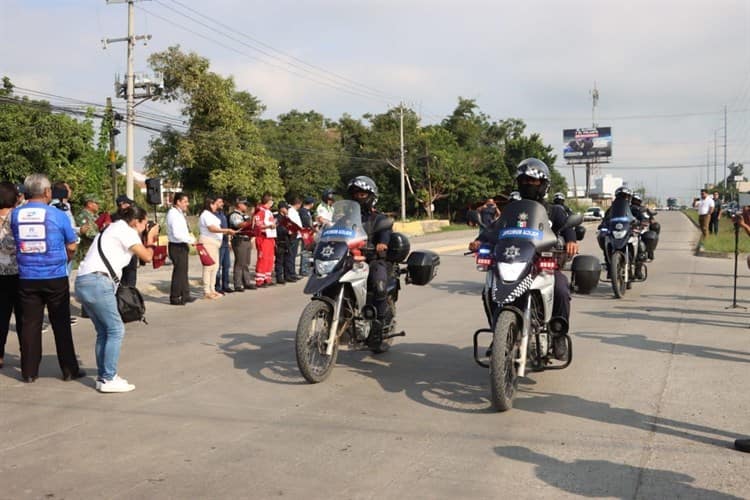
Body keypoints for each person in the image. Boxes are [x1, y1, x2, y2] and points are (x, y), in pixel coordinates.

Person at [468, 158, 578, 361]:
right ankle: (500, 334)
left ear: (544, 184)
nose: (528, 184)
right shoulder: (512, 210)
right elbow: (494, 229)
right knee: (490, 289)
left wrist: (571, 241)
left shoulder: (554, 211)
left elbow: (568, 228)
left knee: (561, 288)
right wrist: (479, 240)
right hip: (514, 262)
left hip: (541, 265)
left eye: (533, 181)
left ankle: (558, 336)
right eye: (524, 180)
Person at [75, 206, 159, 393]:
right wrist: (152, 238)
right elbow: (147, 256)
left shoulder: (112, 228)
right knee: (115, 329)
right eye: (144, 224)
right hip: (98, 282)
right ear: (136, 221)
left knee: (104, 331)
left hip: (84, 281)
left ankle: (104, 376)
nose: (145, 227)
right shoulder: (125, 231)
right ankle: (108, 378)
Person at [10, 173, 85, 383]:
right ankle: (69, 369)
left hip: (26, 276)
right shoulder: (58, 215)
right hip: (55, 275)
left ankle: (29, 371)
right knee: (60, 323)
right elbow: (71, 245)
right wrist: (66, 259)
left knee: (29, 324)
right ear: (47, 192)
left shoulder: (16, 215)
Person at [346, 176, 392, 350]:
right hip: (349, 258)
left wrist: (382, 244)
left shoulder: (378, 218)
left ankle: (378, 328)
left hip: (372, 259)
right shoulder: (345, 218)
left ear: (371, 196)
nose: (359, 196)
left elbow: (385, 233)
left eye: (363, 193)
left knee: (379, 286)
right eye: (356, 193)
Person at [0, 182, 22, 369]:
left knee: (1, 316)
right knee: (24, 317)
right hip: (19, 272)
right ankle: (28, 356)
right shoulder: (18, 216)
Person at [198, 196, 236, 300]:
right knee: (208, 267)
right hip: (208, 242)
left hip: (215, 243)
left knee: (215, 267)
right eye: (215, 204)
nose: (217, 206)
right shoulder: (205, 214)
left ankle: (212, 289)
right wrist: (226, 230)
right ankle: (207, 290)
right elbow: (212, 228)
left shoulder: (212, 215)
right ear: (211, 204)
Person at [166, 192, 196, 305]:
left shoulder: (180, 213)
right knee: (179, 272)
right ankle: (174, 297)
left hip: (182, 245)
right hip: (176, 245)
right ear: (178, 202)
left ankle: (185, 294)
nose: (187, 204)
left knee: (183, 271)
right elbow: (177, 234)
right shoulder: (173, 214)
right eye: (185, 202)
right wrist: (191, 240)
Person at [228, 197, 256, 291]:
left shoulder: (245, 215)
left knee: (246, 262)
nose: (246, 206)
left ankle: (246, 282)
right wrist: (250, 220)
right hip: (239, 240)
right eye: (244, 204)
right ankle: (238, 284)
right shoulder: (234, 215)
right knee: (240, 262)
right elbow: (239, 225)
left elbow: (251, 225)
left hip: (247, 239)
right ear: (239, 204)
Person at [112, 195, 139, 287]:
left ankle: (128, 294)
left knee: (131, 274)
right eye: (128, 204)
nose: (130, 206)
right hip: (121, 250)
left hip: (131, 249)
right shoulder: (116, 218)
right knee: (124, 276)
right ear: (122, 205)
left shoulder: (130, 217)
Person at [254, 193, 277, 288]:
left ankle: (267, 278)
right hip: (263, 237)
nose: (272, 202)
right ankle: (259, 280)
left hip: (270, 237)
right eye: (271, 200)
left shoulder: (268, 211)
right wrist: (268, 226)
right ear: (268, 201)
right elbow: (258, 225)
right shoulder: (261, 211)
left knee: (270, 258)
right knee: (263, 258)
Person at [212, 196, 233, 294]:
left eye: (222, 202)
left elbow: (226, 228)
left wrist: (229, 241)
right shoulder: (212, 215)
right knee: (218, 266)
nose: (222, 204)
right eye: (219, 202)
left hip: (225, 242)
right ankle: (217, 286)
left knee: (227, 265)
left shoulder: (223, 214)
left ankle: (226, 285)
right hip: (218, 243)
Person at [75, 193, 100, 263]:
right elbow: (89, 234)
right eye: (96, 203)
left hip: (95, 252)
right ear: (89, 204)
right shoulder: (83, 216)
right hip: (87, 253)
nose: (98, 205)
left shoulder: (95, 216)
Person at [286, 197, 303, 281]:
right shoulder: (291, 211)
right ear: (298, 204)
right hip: (293, 235)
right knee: (291, 255)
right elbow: (291, 223)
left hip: (297, 235)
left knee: (293, 255)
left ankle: (292, 273)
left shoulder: (294, 211)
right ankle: (290, 273)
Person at [298, 196, 315, 276]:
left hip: (308, 233)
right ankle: (304, 270)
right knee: (305, 251)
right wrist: (312, 227)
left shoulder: (306, 211)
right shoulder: (303, 211)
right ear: (311, 203)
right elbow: (306, 222)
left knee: (308, 251)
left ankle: (306, 268)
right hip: (304, 233)